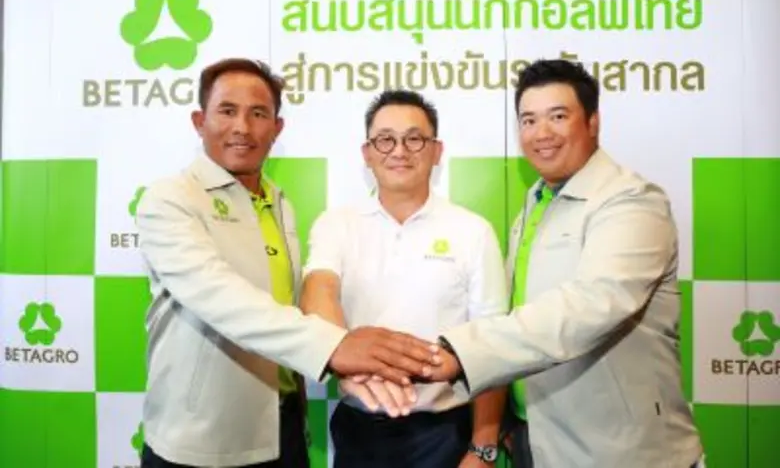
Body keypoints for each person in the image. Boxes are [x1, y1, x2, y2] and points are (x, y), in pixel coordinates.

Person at [135, 58, 440, 468]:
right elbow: (218, 296)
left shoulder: (279, 202)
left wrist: (347, 359)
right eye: (227, 110)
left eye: (258, 114)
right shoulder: (170, 199)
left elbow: (296, 300)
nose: (242, 127)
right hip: (203, 439)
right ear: (199, 121)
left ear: (277, 128)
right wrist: (335, 346)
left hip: (283, 428)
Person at [427, 59, 705, 468]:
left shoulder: (631, 200)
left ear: (593, 122)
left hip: (619, 451)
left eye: (558, 116)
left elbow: (593, 304)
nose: (541, 133)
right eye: (529, 120)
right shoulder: (537, 201)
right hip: (537, 439)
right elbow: (523, 310)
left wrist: (462, 351)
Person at [299, 90, 509, 468]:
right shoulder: (336, 224)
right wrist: (348, 361)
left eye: (414, 139)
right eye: (385, 139)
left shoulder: (473, 231)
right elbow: (318, 291)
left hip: (444, 432)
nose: (399, 151)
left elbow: (492, 343)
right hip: (358, 429)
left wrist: (483, 447)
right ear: (367, 153)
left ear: (436, 151)